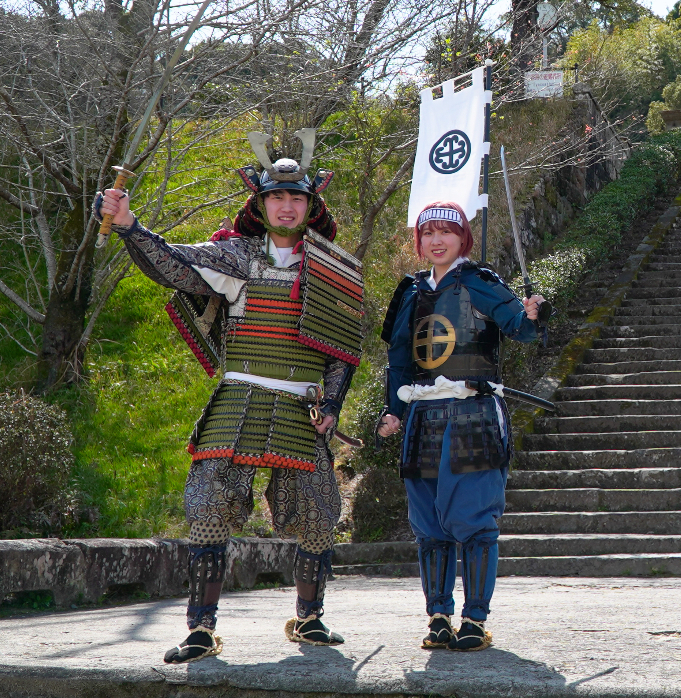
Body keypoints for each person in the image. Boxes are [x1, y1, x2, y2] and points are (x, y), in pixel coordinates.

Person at [96, 130, 363, 663]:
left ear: (311, 205)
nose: (286, 206)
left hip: (300, 407)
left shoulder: (334, 268)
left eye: (296, 198)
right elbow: (172, 264)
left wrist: (331, 408)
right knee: (210, 505)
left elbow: (341, 350)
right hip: (239, 400)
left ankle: (309, 619)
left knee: (317, 509)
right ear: (259, 203)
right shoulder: (235, 257)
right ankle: (201, 628)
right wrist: (127, 225)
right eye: (276, 197)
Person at [377, 201, 545, 652]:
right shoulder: (409, 293)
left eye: (446, 232)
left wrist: (531, 313)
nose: (436, 240)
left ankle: (474, 619)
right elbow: (397, 361)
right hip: (423, 418)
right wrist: (392, 410)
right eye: (427, 232)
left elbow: (520, 328)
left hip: (473, 417)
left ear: (462, 238)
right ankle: (437, 617)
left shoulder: (480, 282)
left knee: (473, 519)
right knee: (428, 524)